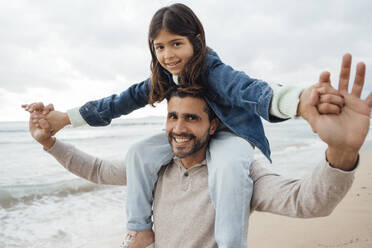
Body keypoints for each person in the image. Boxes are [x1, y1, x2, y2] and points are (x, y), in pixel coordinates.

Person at [23, 3, 345, 248]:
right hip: (200, 145)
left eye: (176, 44)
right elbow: (117, 105)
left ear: (197, 41)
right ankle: (138, 228)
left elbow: (247, 89)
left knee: (230, 167)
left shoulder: (213, 70)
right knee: (137, 152)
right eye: (159, 47)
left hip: (232, 138)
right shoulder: (162, 83)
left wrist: (298, 102)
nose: (168, 55)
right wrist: (61, 122)